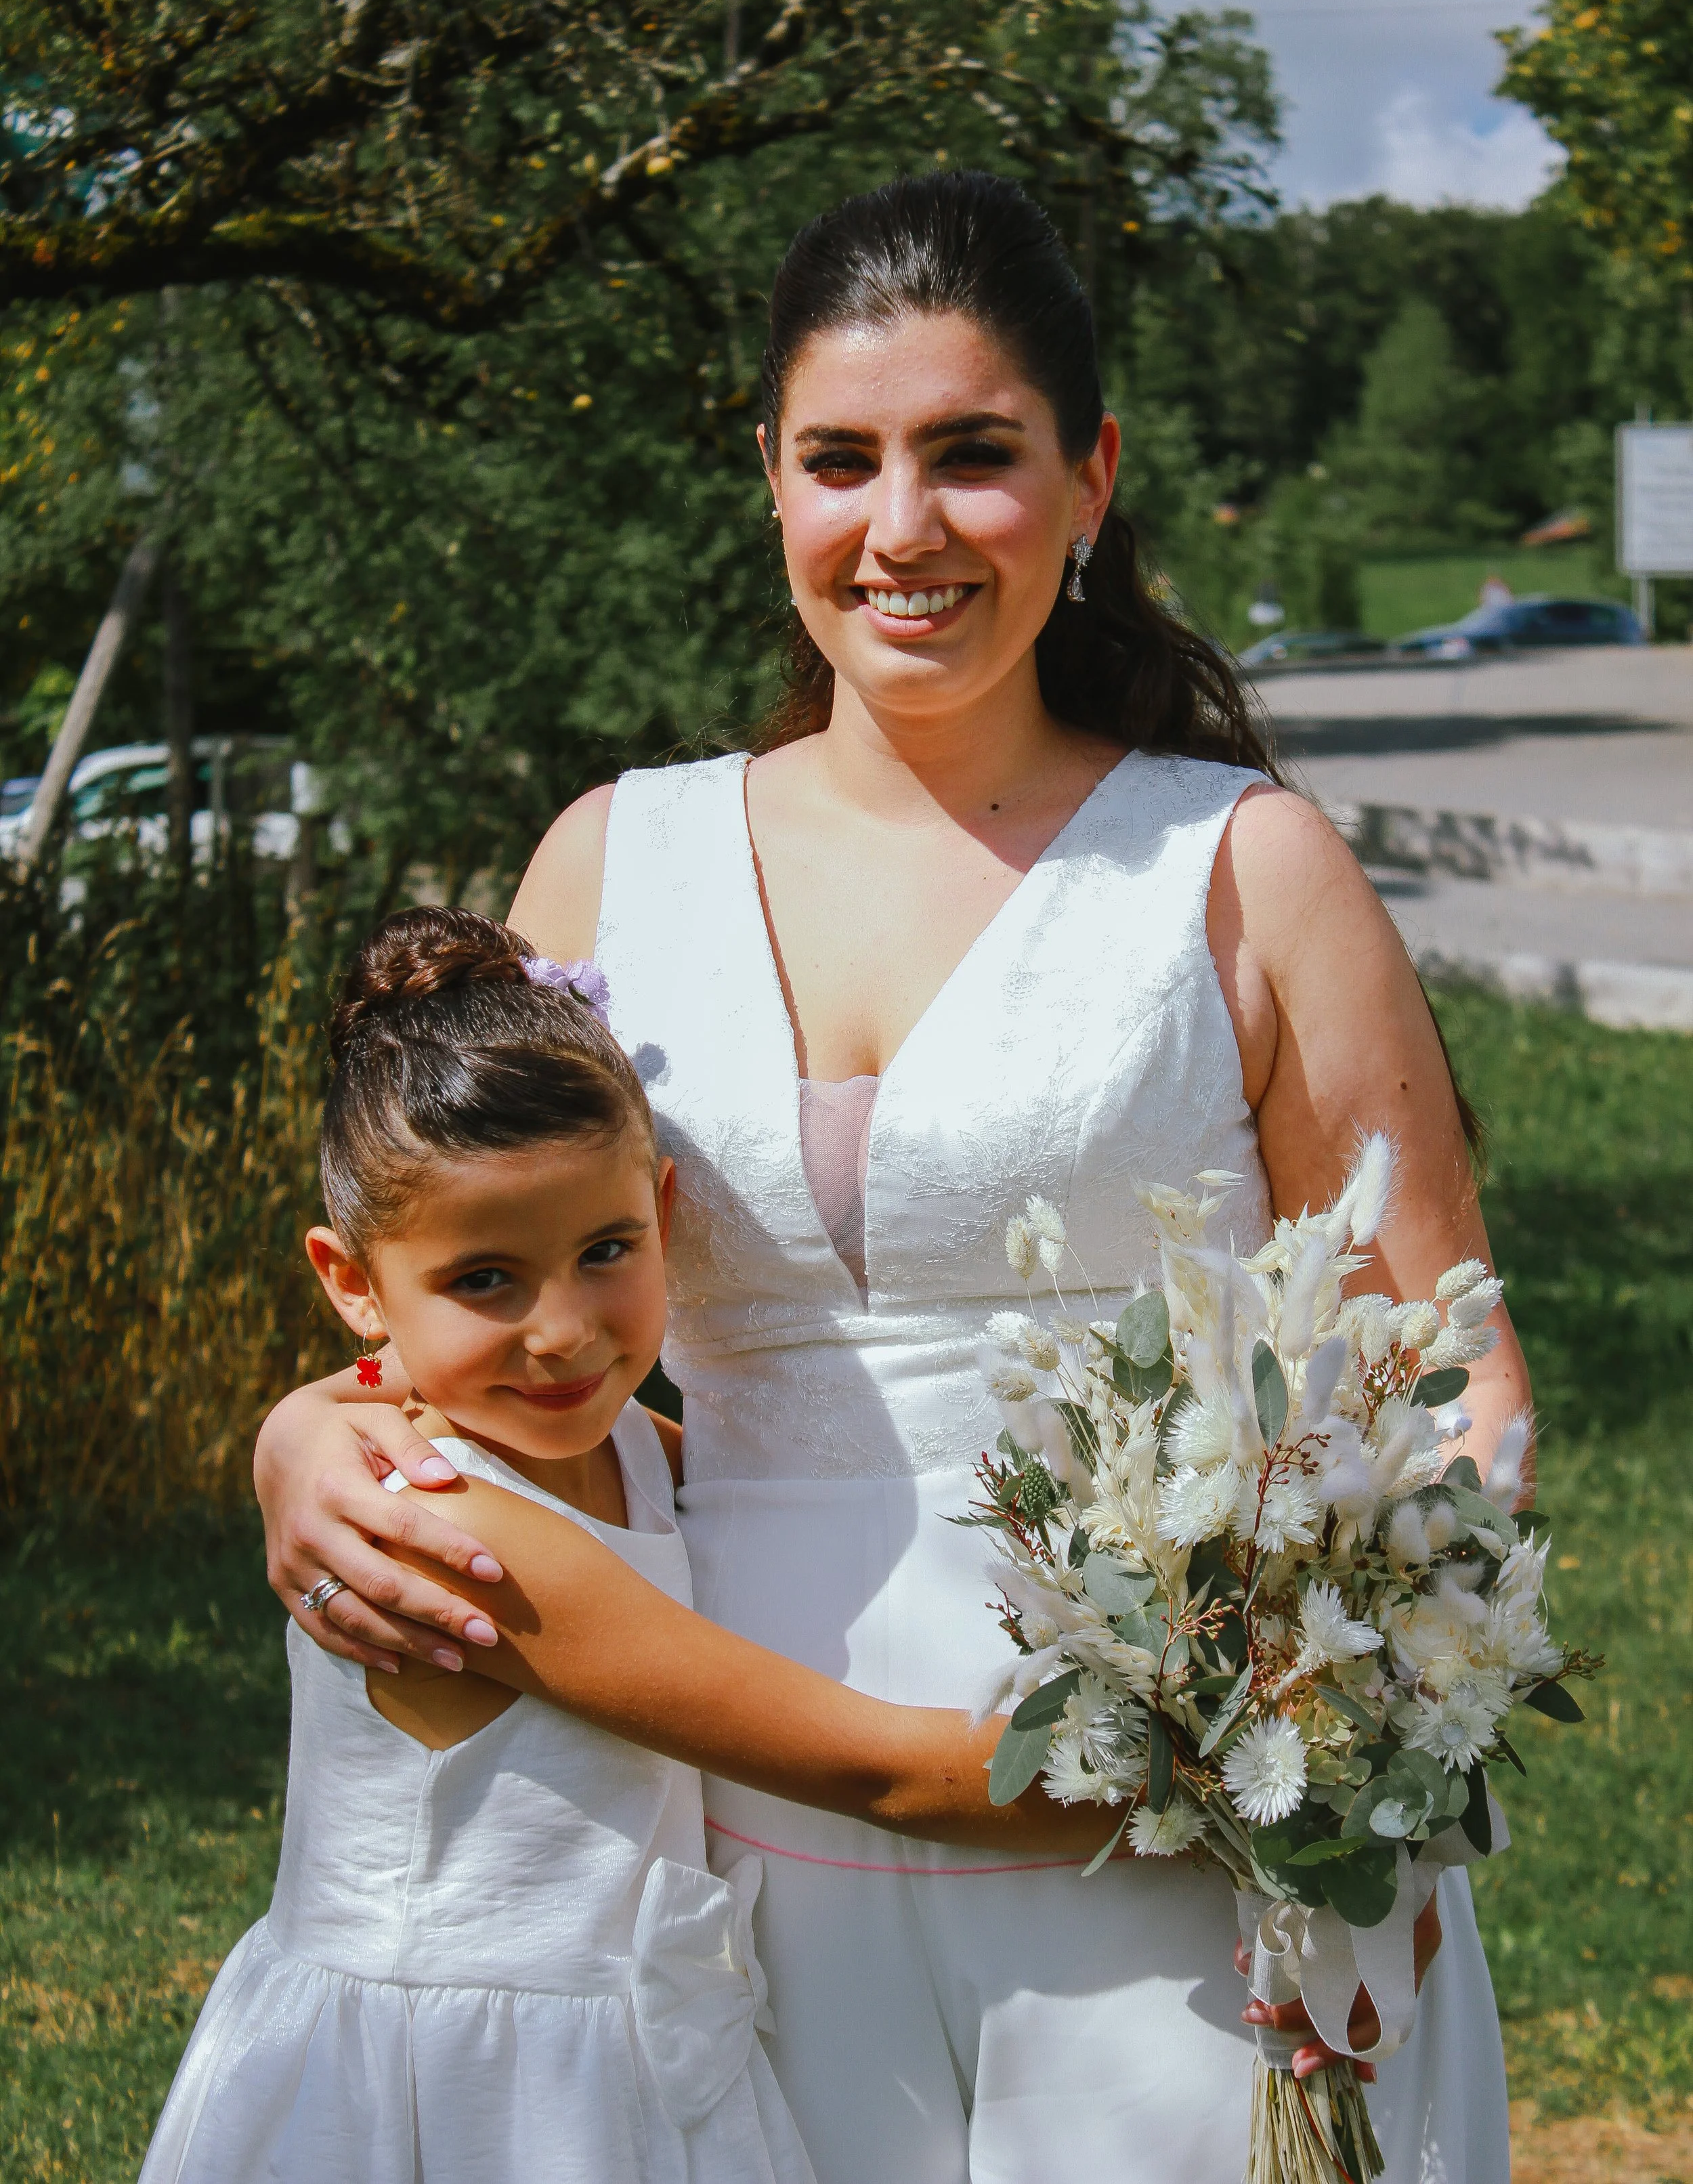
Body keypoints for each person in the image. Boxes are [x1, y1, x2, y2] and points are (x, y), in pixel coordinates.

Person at [256, 172, 1530, 2182]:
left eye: (973, 455)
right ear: (768, 476)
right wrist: (297, 1439)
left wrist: (1330, 1730)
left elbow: (1444, 1368)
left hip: (1175, 1833)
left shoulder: (1239, 865)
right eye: (840, 458)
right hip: (722, 1825)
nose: (901, 525)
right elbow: (462, 1275)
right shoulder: (611, 861)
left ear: (1090, 476)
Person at [145, 907, 1119, 2184]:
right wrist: (1180, 1761)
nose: (564, 1331)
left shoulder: (639, 1456)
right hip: (471, 2098)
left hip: (627, 2059)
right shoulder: (449, 1524)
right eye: (485, 1279)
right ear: (351, 1278)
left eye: (607, 1252)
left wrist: (301, 1415)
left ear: (663, 1207)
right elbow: (879, 1771)